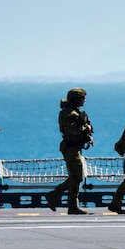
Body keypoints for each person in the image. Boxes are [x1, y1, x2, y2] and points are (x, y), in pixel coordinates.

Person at [46, 87, 93, 215]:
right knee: (77, 176)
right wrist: (86, 128)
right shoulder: (70, 114)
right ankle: (55, 194)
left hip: (74, 147)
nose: (84, 100)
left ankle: (73, 206)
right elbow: (74, 130)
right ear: (76, 99)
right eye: (83, 98)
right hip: (71, 148)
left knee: (76, 176)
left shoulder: (74, 112)